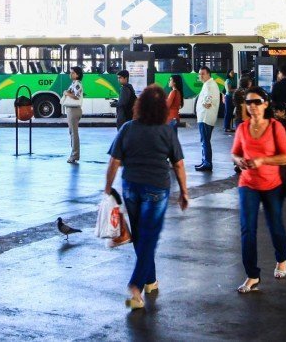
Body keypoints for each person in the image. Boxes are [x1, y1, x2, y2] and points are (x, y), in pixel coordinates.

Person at [104, 84, 188, 309]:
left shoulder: (128, 128)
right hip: (157, 190)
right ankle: (136, 286)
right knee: (149, 237)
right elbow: (178, 164)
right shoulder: (167, 130)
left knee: (141, 236)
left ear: (139, 105)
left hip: (131, 188)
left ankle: (150, 280)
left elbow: (114, 162)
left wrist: (107, 188)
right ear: (161, 108)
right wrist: (184, 192)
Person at [231, 88, 286, 294]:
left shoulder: (276, 127)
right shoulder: (242, 128)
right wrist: (240, 161)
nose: (252, 106)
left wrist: (262, 160)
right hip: (247, 183)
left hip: (272, 184)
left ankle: (281, 258)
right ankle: (252, 275)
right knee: (247, 230)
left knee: (274, 224)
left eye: (257, 102)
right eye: (248, 103)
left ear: (266, 104)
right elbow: (235, 153)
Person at [194, 67, 220, 171]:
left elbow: (208, 102)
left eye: (203, 74)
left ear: (208, 74)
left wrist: (204, 104)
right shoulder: (208, 84)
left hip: (205, 117)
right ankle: (205, 161)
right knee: (204, 140)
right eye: (199, 74)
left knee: (205, 140)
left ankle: (207, 163)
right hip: (205, 117)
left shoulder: (209, 85)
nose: (200, 76)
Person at [63, 66, 84, 164]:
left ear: (77, 75)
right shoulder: (75, 83)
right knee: (72, 133)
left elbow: (76, 96)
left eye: (72, 72)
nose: (70, 74)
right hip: (72, 110)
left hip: (74, 110)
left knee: (74, 134)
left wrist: (67, 94)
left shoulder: (77, 84)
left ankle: (74, 156)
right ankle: (74, 155)